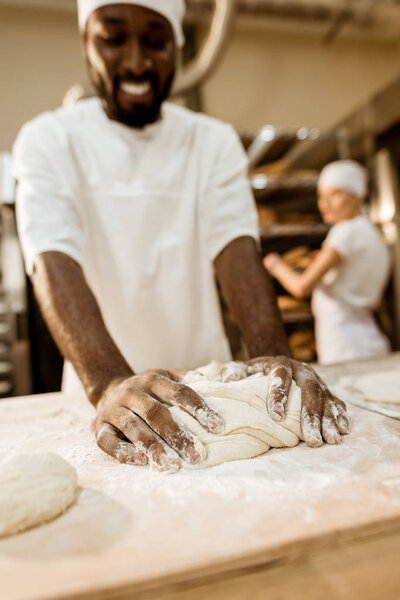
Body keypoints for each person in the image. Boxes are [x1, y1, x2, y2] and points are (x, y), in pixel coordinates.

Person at [13, 0, 348, 472]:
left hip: (210, 397)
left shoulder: (210, 141)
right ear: (85, 42)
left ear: (178, 46)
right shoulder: (48, 140)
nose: (135, 62)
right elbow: (52, 260)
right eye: (113, 38)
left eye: (155, 41)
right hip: (101, 403)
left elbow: (237, 251)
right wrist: (108, 384)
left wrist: (271, 353)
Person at [264, 160, 391, 365]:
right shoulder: (367, 230)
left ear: (357, 195)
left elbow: (301, 287)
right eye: (321, 196)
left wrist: (276, 265)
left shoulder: (345, 232)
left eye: (335, 194)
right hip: (367, 339)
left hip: (345, 346)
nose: (325, 204)